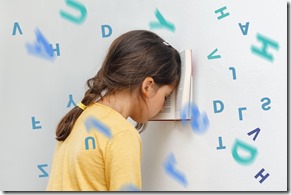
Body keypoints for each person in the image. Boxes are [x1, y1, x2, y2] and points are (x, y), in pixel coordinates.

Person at [46, 30, 181, 191]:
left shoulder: (81, 116)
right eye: (166, 96)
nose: (162, 106)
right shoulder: (121, 134)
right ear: (148, 86)